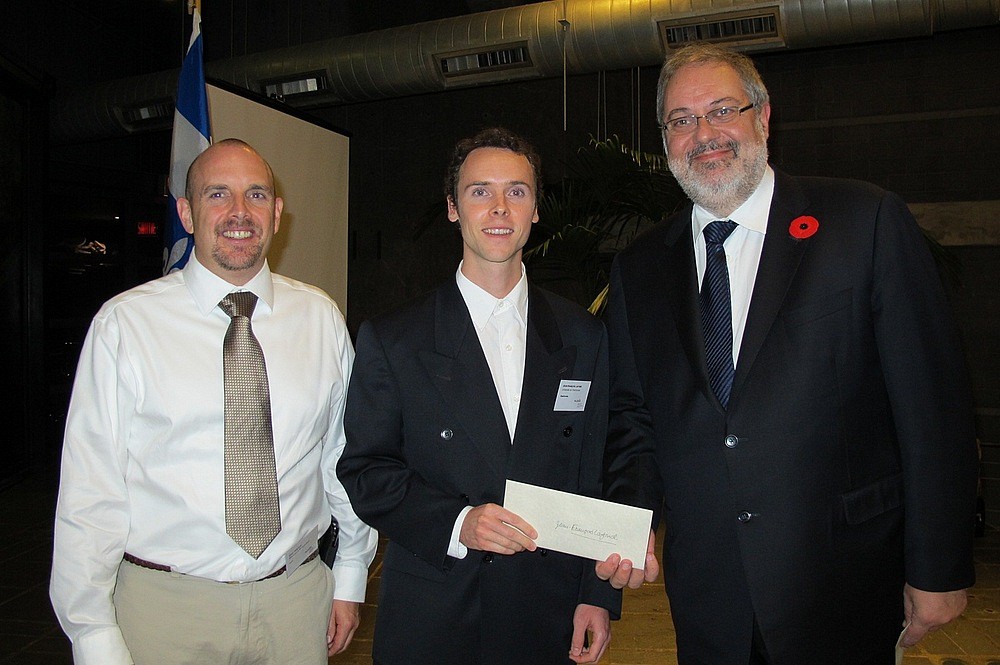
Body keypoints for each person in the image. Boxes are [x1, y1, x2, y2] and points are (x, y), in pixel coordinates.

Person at [596, 44, 978, 664]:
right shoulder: (639, 268)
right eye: (682, 120)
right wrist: (631, 518)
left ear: (763, 117)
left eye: (723, 110)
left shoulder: (864, 222)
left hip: (841, 581)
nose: (704, 135)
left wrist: (938, 568)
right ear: (665, 138)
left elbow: (933, 408)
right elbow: (635, 420)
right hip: (709, 596)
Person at [50, 138, 377, 664]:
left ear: (276, 213)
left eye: (256, 195)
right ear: (186, 211)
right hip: (165, 611)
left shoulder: (319, 318)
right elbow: (91, 491)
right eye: (218, 194)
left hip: (295, 602)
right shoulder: (126, 325)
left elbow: (343, 459)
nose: (239, 213)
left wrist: (351, 575)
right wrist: (91, 632)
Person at [337, 127, 620, 665]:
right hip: (435, 608)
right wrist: (456, 521)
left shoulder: (583, 336)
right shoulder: (396, 338)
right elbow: (365, 470)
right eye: (479, 191)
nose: (499, 208)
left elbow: (594, 472)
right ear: (452, 208)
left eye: (516, 191)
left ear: (536, 209)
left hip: (548, 609)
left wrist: (596, 593)